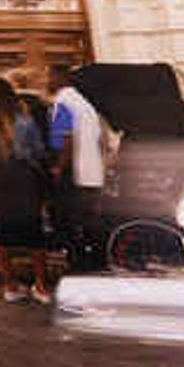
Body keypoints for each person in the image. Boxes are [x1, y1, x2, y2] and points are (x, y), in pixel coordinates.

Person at [0, 77, 50, 303]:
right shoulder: (25, 120)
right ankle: (41, 287)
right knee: (33, 232)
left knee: (1, 233)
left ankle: (10, 286)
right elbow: (38, 151)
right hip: (24, 177)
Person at [46, 63, 105, 271]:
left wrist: (58, 167)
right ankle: (97, 261)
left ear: (60, 78)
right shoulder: (85, 103)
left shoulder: (63, 101)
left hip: (73, 171)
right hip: (93, 172)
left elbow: (66, 138)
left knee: (67, 221)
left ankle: (78, 264)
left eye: (50, 76)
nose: (47, 81)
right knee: (89, 221)